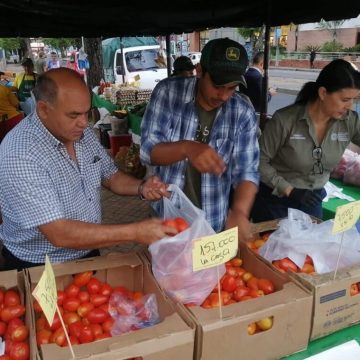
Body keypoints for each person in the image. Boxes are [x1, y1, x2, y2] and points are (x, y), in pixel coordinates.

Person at [0, 68, 178, 271]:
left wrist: (142, 187)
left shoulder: (82, 136)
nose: (84, 123)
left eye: (87, 112)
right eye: (74, 115)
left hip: (88, 250)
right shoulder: (20, 154)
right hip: (40, 265)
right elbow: (59, 233)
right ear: (43, 110)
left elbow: (110, 176)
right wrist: (135, 231)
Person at [141, 38, 259, 241]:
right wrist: (187, 148)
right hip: (167, 219)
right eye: (218, 85)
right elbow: (148, 150)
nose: (223, 95)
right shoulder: (168, 93)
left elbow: (247, 170)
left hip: (213, 222)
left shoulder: (242, 112)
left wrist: (239, 211)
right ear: (199, 71)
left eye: (232, 88)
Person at [251, 59, 360, 222]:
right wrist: (289, 189)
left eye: (354, 100)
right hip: (275, 201)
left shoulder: (349, 121)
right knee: (279, 246)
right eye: (344, 100)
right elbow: (259, 161)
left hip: (312, 200)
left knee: (310, 246)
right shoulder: (285, 120)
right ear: (323, 93)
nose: (349, 107)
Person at [0, 71, 24, 142]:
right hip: (13, 119)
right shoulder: (4, 89)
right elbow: (16, 104)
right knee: (17, 142)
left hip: (4, 121)